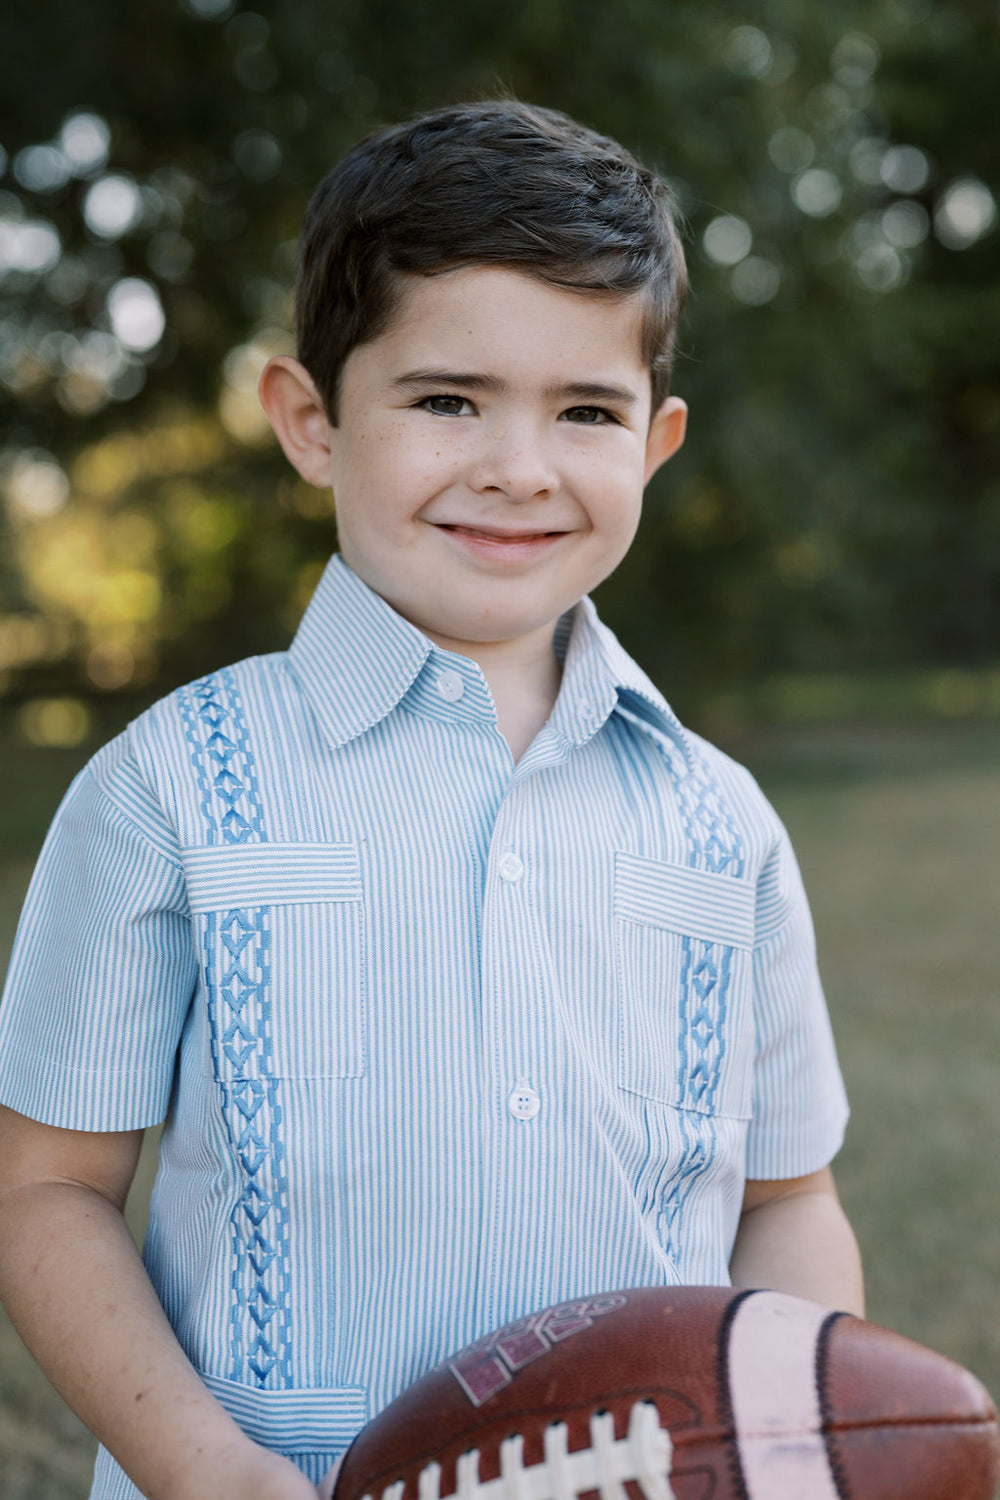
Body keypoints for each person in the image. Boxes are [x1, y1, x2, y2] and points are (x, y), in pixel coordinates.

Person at [0, 99, 863, 1500]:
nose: (518, 467)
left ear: (654, 444)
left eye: (586, 410)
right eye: (448, 398)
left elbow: (785, 1205)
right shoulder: (170, 789)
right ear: (311, 420)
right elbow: (45, 1193)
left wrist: (800, 1443)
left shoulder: (723, 829)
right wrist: (209, 1473)